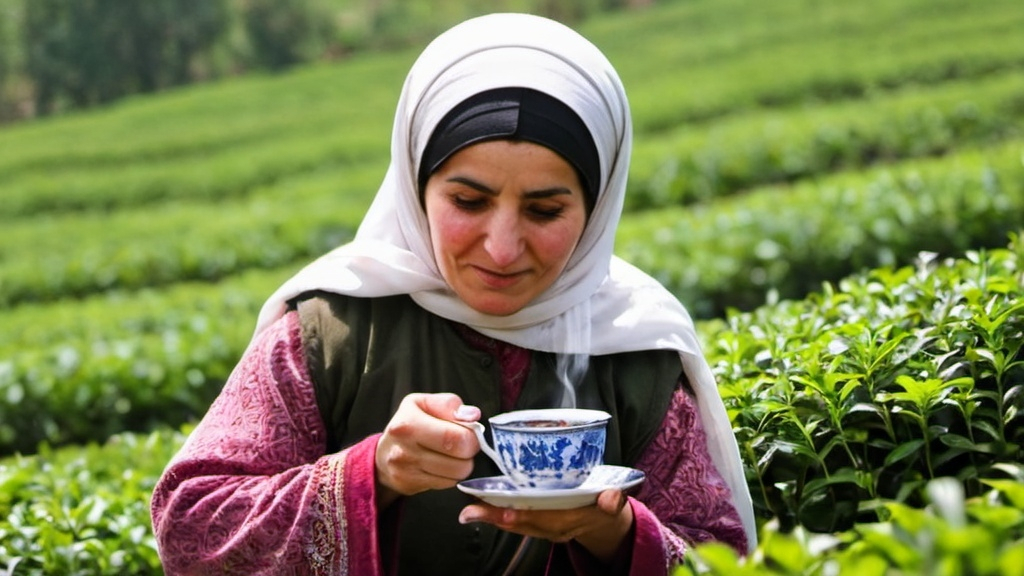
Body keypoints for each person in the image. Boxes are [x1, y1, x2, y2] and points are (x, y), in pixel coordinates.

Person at [150, 12, 757, 576]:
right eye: (468, 202)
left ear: (596, 212)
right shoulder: (330, 332)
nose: (501, 248)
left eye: (545, 210)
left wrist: (614, 530)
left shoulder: (637, 347)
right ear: (417, 189)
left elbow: (718, 557)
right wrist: (371, 474)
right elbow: (190, 527)